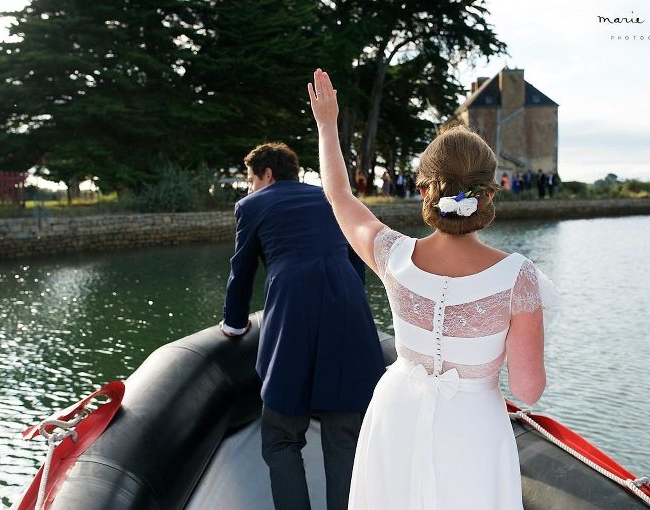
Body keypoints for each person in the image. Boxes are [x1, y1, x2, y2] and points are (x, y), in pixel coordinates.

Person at [308, 68, 551, 509]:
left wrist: (328, 124)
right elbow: (528, 390)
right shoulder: (518, 278)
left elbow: (340, 196)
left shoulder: (393, 256)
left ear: (424, 189)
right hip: (473, 430)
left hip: (395, 411)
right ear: (489, 193)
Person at [221, 142, 385, 510]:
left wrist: (233, 325)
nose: (249, 188)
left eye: (250, 179)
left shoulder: (252, 206)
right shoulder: (332, 197)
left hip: (290, 317)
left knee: (281, 437)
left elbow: (241, 273)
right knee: (345, 438)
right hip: (347, 309)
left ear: (267, 174)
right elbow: (356, 259)